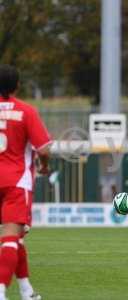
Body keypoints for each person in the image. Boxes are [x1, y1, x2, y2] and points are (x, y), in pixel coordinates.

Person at [0, 65, 52, 300]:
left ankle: (26, 291)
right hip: (16, 182)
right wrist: (44, 165)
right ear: (17, 85)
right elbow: (43, 148)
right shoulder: (26, 111)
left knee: (16, 238)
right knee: (12, 237)